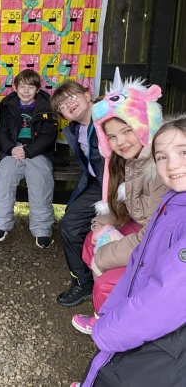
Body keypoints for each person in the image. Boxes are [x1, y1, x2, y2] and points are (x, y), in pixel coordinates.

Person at [71, 115, 186, 387]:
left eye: (183, 152)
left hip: (168, 342)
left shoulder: (166, 187)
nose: (172, 164)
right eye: (162, 157)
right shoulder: (171, 196)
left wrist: (108, 331)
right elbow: (140, 249)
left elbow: (165, 297)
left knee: (122, 369)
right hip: (144, 304)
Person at [71, 73, 167, 334]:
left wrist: (104, 258)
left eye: (127, 130)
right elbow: (122, 204)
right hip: (143, 228)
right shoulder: (131, 160)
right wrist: (101, 226)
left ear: (145, 125)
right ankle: (116, 311)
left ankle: (110, 326)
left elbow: (153, 237)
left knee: (107, 280)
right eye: (111, 136)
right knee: (91, 243)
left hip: (159, 244)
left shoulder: (160, 170)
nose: (120, 142)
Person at [0, 68, 58, 248]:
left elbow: (49, 136)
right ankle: (1, 224)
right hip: (13, 151)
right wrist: (10, 148)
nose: (26, 91)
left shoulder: (46, 106)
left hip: (37, 153)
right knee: (2, 179)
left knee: (40, 183)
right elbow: (1, 132)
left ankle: (42, 229)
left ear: (37, 89)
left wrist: (29, 151)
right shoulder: (7, 106)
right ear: (15, 87)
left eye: (31, 87)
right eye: (22, 86)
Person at [50, 81, 103, 306]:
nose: (68, 104)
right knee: (70, 223)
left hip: (120, 185)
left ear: (88, 96)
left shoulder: (107, 119)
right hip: (96, 183)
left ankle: (102, 282)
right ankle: (83, 281)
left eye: (72, 97)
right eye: (62, 106)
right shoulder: (75, 129)